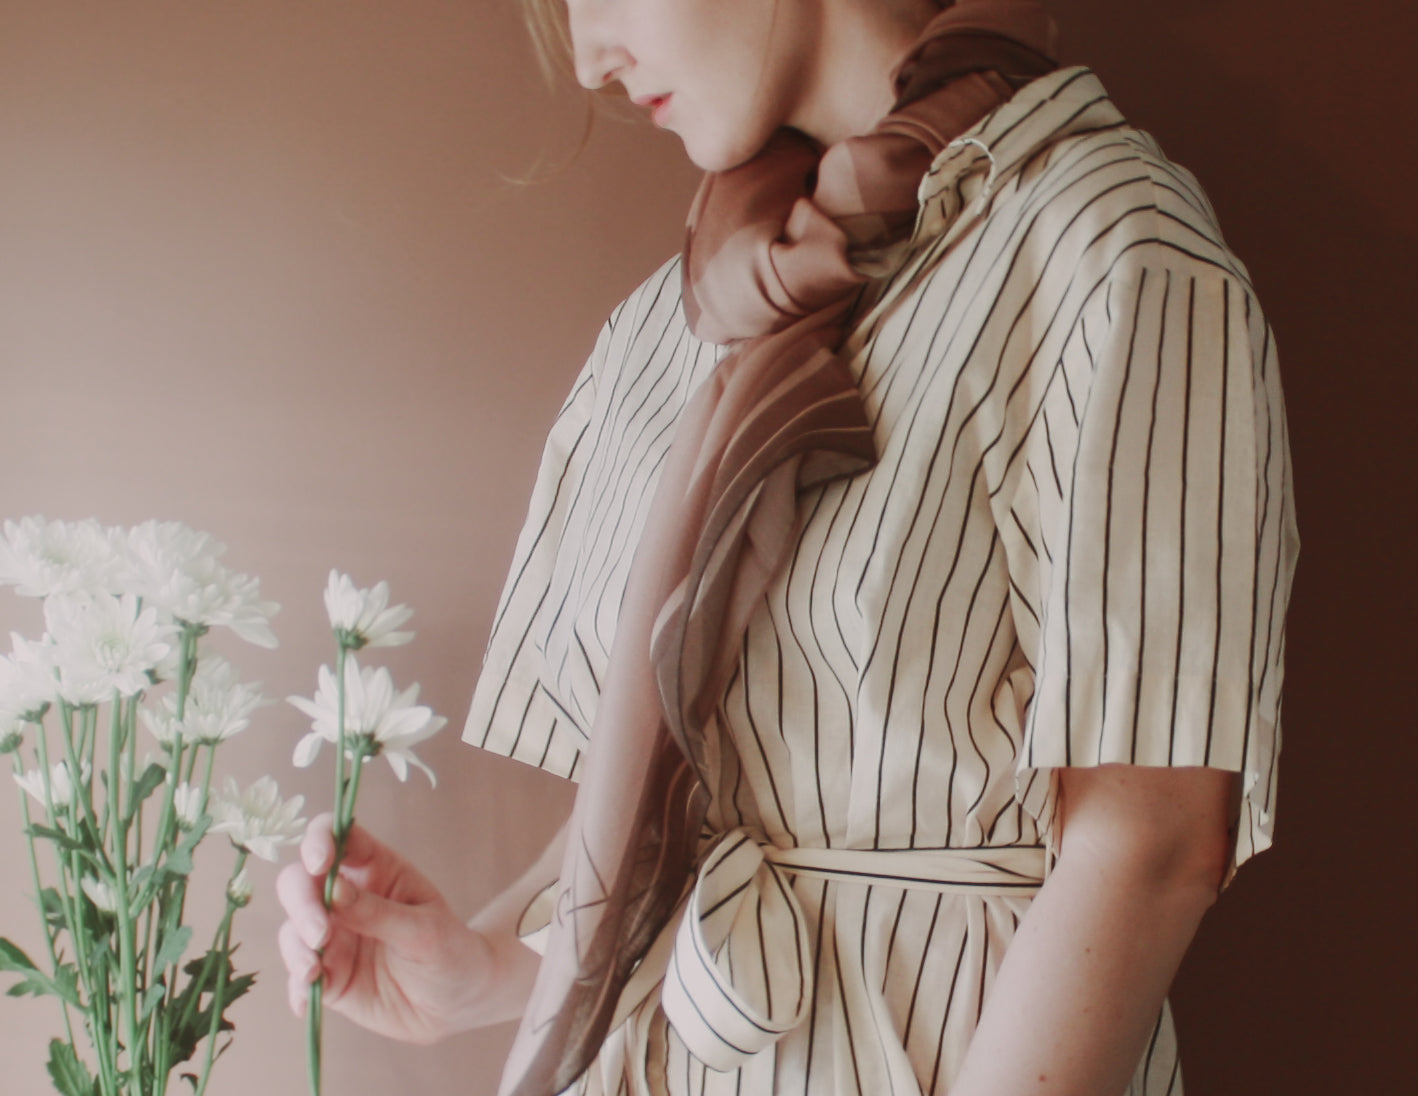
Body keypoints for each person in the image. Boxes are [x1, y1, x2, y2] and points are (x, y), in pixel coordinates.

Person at [276, 1, 1298, 1094]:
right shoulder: (678, 324)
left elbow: (1147, 847)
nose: (585, 60)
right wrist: (478, 970)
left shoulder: (1107, 251)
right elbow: (680, 811)